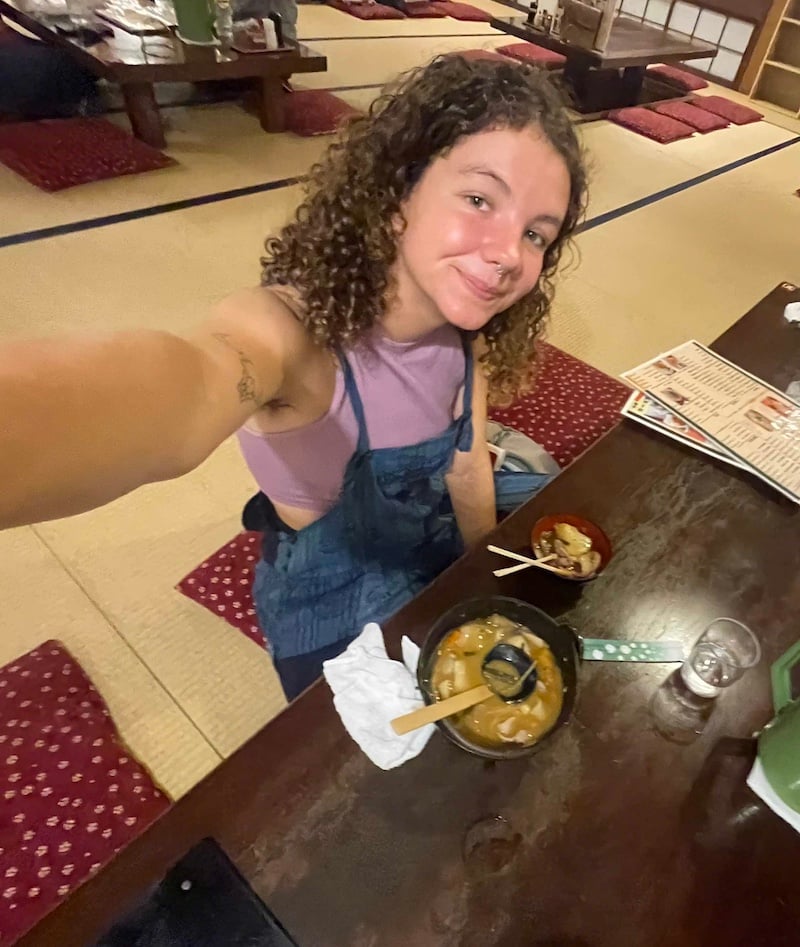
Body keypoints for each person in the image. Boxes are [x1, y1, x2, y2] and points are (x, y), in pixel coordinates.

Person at [0, 56, 586, 700]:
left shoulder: (462, 323)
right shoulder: (291, 333)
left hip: (428, 529)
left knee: (560, 517)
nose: (507, 254)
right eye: (479, 200)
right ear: (397, 195)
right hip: (339, 585)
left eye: (535, 233)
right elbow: (189, 384)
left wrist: (481, 580)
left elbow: (468, 467)